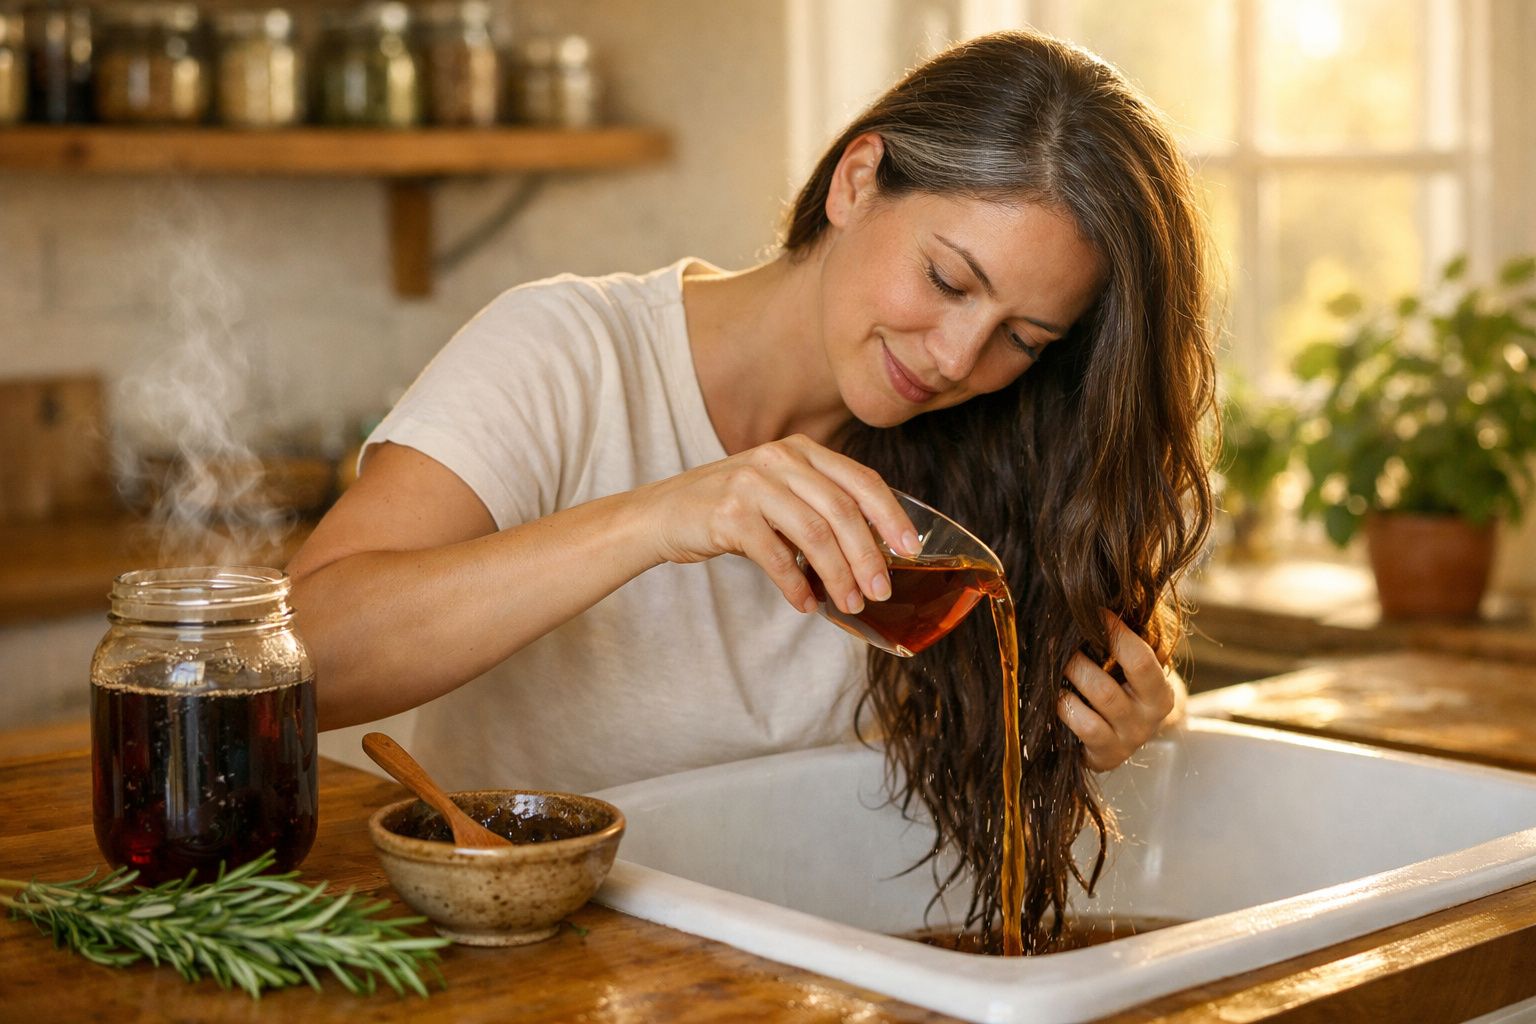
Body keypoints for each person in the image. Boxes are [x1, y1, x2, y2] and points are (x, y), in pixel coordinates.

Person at [288, 29, 1215, 954]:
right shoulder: (569, 353)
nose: (955, 357)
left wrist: (1137, 709)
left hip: (820, 977)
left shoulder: (999, 457)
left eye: (1025, 337)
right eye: (946, 279)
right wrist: (661, 515)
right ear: (856, 180)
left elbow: (1061, 710)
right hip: (542, 973)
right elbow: (305, 657)